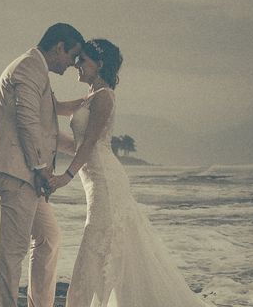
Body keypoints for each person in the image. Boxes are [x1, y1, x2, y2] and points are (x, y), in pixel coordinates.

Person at [49, 39, 211, 307]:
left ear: (99, 64)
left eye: (83, 60)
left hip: (106, 182)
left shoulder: (104, 97)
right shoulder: (89, 97)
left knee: (102, 243)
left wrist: (65, 177)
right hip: (95, 181)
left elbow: (89, 143)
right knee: (104, 244)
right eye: (77, 60)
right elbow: (56, 109)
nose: (77, 65)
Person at [0, 23, 84, 307]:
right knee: (12, 252)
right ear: (59, 47)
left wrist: (83, 147)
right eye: (71, 56)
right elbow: (27, 124)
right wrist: (41, 168)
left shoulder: (37, 72)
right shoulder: (27, 68)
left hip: (26, 174)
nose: (73, 64)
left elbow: (46, 127)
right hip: (15, 172)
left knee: (49, 239)